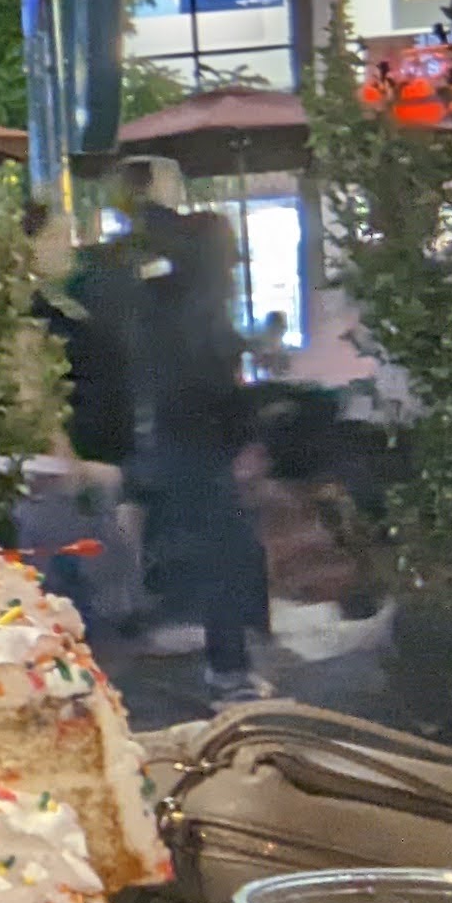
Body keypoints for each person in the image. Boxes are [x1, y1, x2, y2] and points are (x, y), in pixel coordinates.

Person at [129, 206, 275, 701]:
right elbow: (215, 384)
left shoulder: (162, 301)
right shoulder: (205, 310)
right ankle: (229, 669)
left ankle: (226, 661)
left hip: (177, 445)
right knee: (228, 558)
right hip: (204, 448)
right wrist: (243, 436)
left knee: (220, 555)